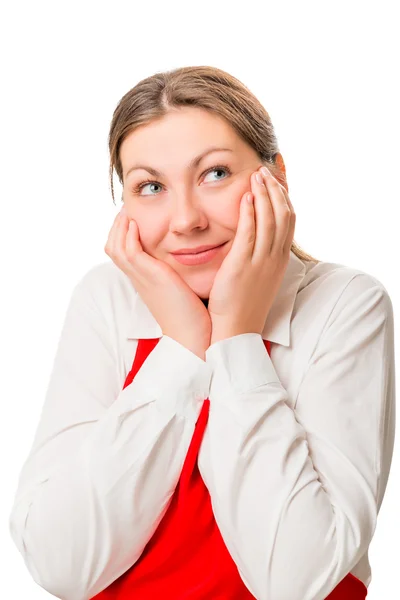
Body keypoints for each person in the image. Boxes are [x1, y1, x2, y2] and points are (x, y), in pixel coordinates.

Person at [8, 65, 395, 600]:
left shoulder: (344, 304)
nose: (186, 219)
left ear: (275, 176)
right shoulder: (107, 299)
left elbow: (297, 581)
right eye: (151, 186)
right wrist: (184, 347)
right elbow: (61, 565)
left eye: (214, 174)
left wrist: (234, 339)